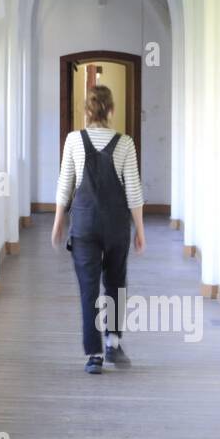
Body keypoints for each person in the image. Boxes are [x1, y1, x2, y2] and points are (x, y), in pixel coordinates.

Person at [50, 84, 145, 374]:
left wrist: (58, 223)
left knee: (88, 290)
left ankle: (93, 355)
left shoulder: (73, 141)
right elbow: (133, 191)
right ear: (111, 111)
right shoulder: (126, 143)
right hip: (116, 225)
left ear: (87, 111)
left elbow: (64, 184)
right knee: (116, 283)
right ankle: (113, 343)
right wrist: (140, 229)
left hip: (85, 224)